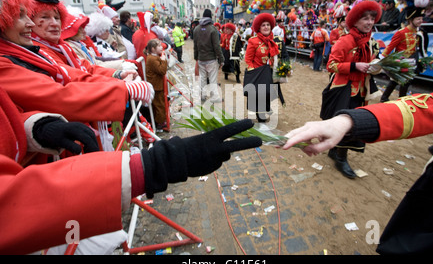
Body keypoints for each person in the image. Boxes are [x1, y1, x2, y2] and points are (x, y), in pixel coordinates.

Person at [0, 83, 262, 254]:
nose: (33, 23)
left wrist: (34, 127)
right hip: (48, 213)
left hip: (62, 177)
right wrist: (155, 164)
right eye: (24, 15)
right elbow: (11, 207)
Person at [283, 87, 433, 254]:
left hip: (360, 90)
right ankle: (338, 155)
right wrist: (350, 121)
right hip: (346, 89)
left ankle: (339, 154)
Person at [0, 0, 153, 152]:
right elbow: (58, 95)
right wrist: (122, 89)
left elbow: (82, 70)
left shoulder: (49, 49)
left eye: (57, 18)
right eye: (44, 17)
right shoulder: (19, 56)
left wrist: (117, 76)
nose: (29, 23)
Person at [321, 0, 382, 179]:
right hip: (344, 90)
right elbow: (331, 65)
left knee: (354, 123)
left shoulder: (371, 42)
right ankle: (341, 157)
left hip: (361, 90)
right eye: (365, 18)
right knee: (346, 124)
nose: (370, 22)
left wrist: (376, 66)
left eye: (372, 18)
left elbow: (373, 61)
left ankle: (335, 151)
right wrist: (355, 65)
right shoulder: (344, 41)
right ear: (354, 21)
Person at [380, 6, 428, 103]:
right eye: (418, 19)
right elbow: (390, 46)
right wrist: (382, 58)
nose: (421, 21)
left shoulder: (419, 33)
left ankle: (397, 99)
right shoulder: (401, 33)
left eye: (422, 19)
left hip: (411, 62)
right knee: (396, 81)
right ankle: (395, 99)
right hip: (400, 61)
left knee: (404, 82)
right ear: (411, 20)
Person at [243, 13, 282, 123]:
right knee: (259, 97)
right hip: (258, 74)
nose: (266, 27)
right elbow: (248, 59)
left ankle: (262, 113)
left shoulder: (273, 41)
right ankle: (261, 117)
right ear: (259, 28)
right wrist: (252, 72)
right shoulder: (253, 41)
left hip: (269, 74)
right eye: (263, 25)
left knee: (268, 95)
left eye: (268, 25)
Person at [193, 9, 225, 103]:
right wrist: (221, 58)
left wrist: (196, 57)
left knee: (202, 78)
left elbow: (195, 45)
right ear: (211, 17)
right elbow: (216, 46)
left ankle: (202, 96)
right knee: (212, 79)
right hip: (211, 58)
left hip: (201, 59)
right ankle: (214, 97)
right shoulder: (212, 29)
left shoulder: (196, 29)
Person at [144, 39, 168, 132]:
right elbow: (162, 70)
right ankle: (160, 123)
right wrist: (164, 60)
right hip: (156, 86)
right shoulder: (152, 58)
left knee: (159, 103)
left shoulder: (152, 57)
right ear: (153, 49)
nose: (161, 47)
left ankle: (160, 121)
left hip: (156, 84)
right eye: (159, 46)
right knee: (159, 105)